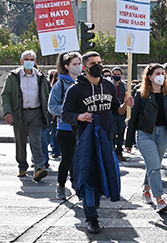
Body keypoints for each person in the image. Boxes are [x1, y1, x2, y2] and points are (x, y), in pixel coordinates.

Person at [62, 51, 133, 233]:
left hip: (106, 138)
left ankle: (96, 201)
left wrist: (126, 105)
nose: (98, 66)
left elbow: (117, 110)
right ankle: (91, 217)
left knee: (104, 173)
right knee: (88, 177)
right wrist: (79, 116)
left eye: (100, 62)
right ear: (84, 67)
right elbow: (65, 114)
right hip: (85, 140)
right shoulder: (76, 89)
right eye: (93, 63)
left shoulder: (109, 86)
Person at [126, 63, 167, 215]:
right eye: (157, 73)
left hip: (164, 134)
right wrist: (128, 141)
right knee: (154, 167)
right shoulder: (141, 94)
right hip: (145, 134)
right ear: (150, 77)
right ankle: (160, 199)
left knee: (154, 165)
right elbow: (133, 118)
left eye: (162, 73)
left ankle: (146, 189)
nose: (161, 76)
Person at [1, 50, 51, 182]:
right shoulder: (13, 76)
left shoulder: (40, 76)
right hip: (19, 113)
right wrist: (7, 112)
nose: (29, 62)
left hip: (36, 113)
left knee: (36, 140)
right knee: (20, 141)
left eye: (32, 59)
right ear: (21, 61)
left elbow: (46, 95)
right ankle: (22, 166)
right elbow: (6, 95)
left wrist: (49, 111)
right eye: (27, 59)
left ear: (35, 61)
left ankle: (39, 167)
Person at [48, 52, 81, 200]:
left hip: (81, 127)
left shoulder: (84, 82)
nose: (78, 66)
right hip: (65, 127)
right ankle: (61, 186)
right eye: (74, 64)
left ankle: (77, 184)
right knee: (67, 158)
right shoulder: (60, 85)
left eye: (79, 63)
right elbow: (52, 107)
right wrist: (68, 111)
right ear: (67, 66)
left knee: (78, 158)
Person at [109, 67, 127, 162]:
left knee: (121, 132)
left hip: (121, 113)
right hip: (111, 112)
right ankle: (112, 152)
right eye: (115, 74)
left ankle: (119, 152)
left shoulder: (125, 86)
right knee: (112, 132)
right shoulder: (108, 85)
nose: (117, 76)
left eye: (118, 75)